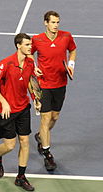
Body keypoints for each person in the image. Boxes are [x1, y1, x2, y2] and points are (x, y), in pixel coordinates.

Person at [0, 33, 40, 191]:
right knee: (9, 145)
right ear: (18, 46)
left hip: (23, 107)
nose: (31, 47)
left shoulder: (30, 62)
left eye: (30, 45)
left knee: (25, 141)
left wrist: (35, 97)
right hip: (7, 110)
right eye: (27, 45)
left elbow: (30, 80)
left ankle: (20, 177)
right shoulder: (6, 63)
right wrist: (3, 101)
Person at [31, 11, 77, 171]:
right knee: (45, 118)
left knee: (55, 117)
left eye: (58, 22)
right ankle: (47, 153)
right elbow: (27, 54)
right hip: (43, 85)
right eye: (53, 22)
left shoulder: (66, 36)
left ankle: (40, 136)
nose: (56, 25)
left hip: (60, 83)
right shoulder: (36, 39)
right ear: (45, 23)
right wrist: (34, 67)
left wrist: (71, 65)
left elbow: (72, 50)